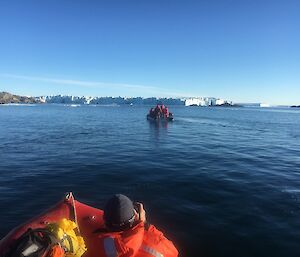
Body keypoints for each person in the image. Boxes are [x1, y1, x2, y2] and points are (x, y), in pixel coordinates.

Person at [97, 194, 178, 257]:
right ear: (135, 215)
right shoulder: (158, 245)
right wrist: (145, 224)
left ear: (105, 221)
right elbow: (174, 253)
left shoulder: (97, 244)